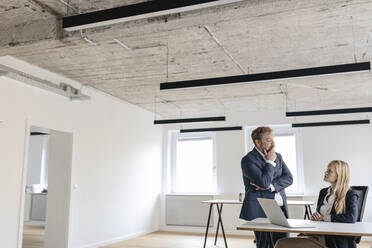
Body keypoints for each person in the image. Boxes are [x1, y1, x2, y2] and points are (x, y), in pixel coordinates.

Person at [275, 160, 359, 248]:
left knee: (281, 244)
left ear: (340, 175)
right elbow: (320, 215)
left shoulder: (350, 194)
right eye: (326, 170)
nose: (325, 172)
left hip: (331, 241)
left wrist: (324, 217)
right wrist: (316, 216)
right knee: (281, 242)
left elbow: (352, 217)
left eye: (330, 171)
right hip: (317, 233)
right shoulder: (323, 192)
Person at [240, 126, 293, 248]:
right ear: (257, 142)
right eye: (269, 140)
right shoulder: (248, 160)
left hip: (280, 208)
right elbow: (263, 182)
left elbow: (289, 178)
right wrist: (269, 162)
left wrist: (271, 186)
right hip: (261, 208)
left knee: (283, 243)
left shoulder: (278, 156)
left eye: (273, 139)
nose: (273, 143)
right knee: (265, 245)